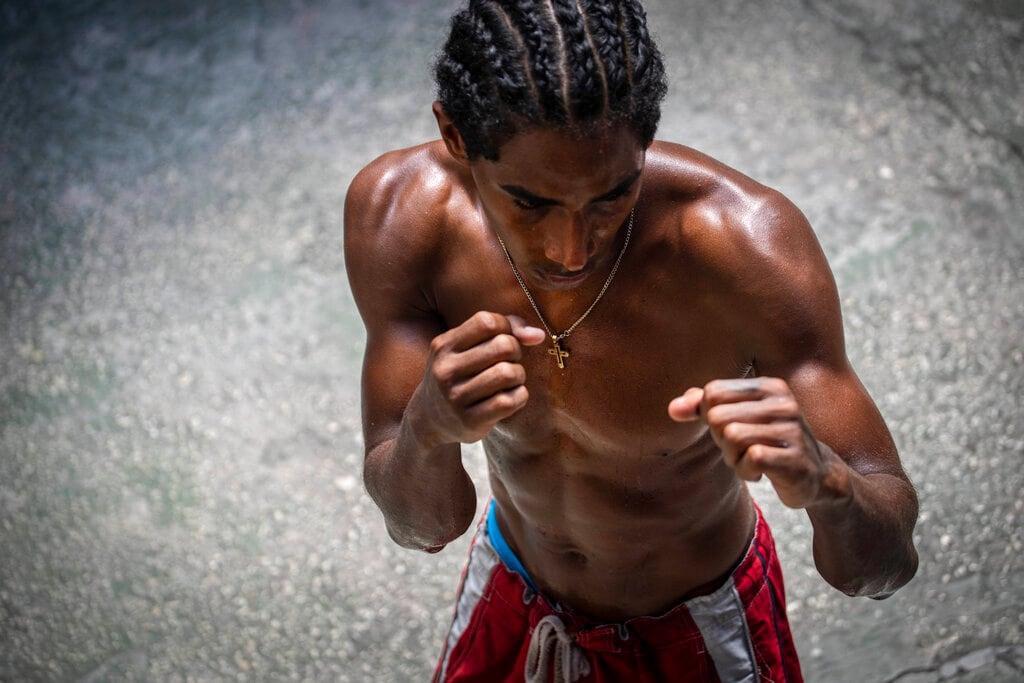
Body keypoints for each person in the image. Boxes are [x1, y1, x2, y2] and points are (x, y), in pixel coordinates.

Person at [344, 1, 919, 680]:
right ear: (455, 136)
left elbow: (884, 567)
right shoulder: (401, 218)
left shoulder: (745, 248)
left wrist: (830, 483)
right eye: (530, 203)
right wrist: (427, 430)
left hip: (700, 625)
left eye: (612, 196)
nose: (571, 248)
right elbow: (423, 526)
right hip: (513, 590)